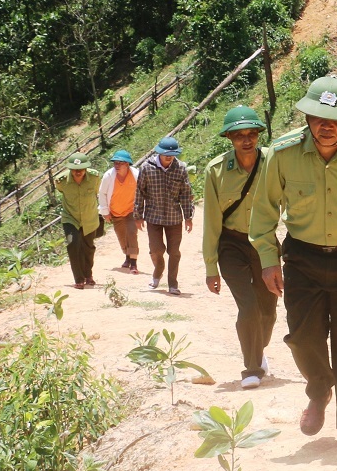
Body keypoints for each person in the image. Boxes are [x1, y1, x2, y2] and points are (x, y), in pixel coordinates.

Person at [249, 75, 337, 450]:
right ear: (307, 119)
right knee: (303, 337)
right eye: (317, 118)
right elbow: (264, 212)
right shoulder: (282, 155)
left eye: (336, 120)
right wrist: (268, 260)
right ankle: (319, 389)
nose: (326, 127)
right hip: (303, 257)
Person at [203, 107, 276, 389]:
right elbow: (211, 220)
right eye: (239, 135)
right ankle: (252, 368)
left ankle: (258, 349)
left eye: (252, 134)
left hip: (265, 243)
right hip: (231, 244)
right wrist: (211, 267)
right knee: (248, 307)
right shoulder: (216, 170)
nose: (247, 140)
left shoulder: (273, 161)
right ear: (230, 138)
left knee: (268, 310)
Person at [135, 135, 194, 295]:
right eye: (165, 153)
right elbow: (140, 191)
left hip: (174, 218)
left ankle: (172, 284)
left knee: (174, 252)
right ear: (159, 152)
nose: (168, 156)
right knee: (156, 250)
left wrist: (188, 217)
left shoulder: (180, 168)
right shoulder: (147, 168)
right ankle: (158, 271)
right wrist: (138, 215)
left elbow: (185, 194)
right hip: (153, 217)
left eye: (172, 153)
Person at [56, 152, 103, 289]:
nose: (78, 172)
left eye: (81, 169)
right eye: (75, 170)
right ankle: (79, 278)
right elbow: (60, 191)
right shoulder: (61, 181)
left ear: (86, 168)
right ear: (70, 169)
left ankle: (88, 275)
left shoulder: (94, 177)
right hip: (70, 218)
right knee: (73, 244)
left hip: (89, 217)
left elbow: (96, 192)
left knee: (88, 247)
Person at [98, 149, 140, 274]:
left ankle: (133, 263)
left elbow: (143, 192)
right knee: (122, 236)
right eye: (115, 163)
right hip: (115, 211)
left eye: (120, 163)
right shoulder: (108, 176)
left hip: (131, 210)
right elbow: (102, 193)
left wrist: (142, 210)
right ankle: (127, 257)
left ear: (127, 164)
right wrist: (105, 211)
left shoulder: (136, 175)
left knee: (132, 233)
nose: (116, 165)